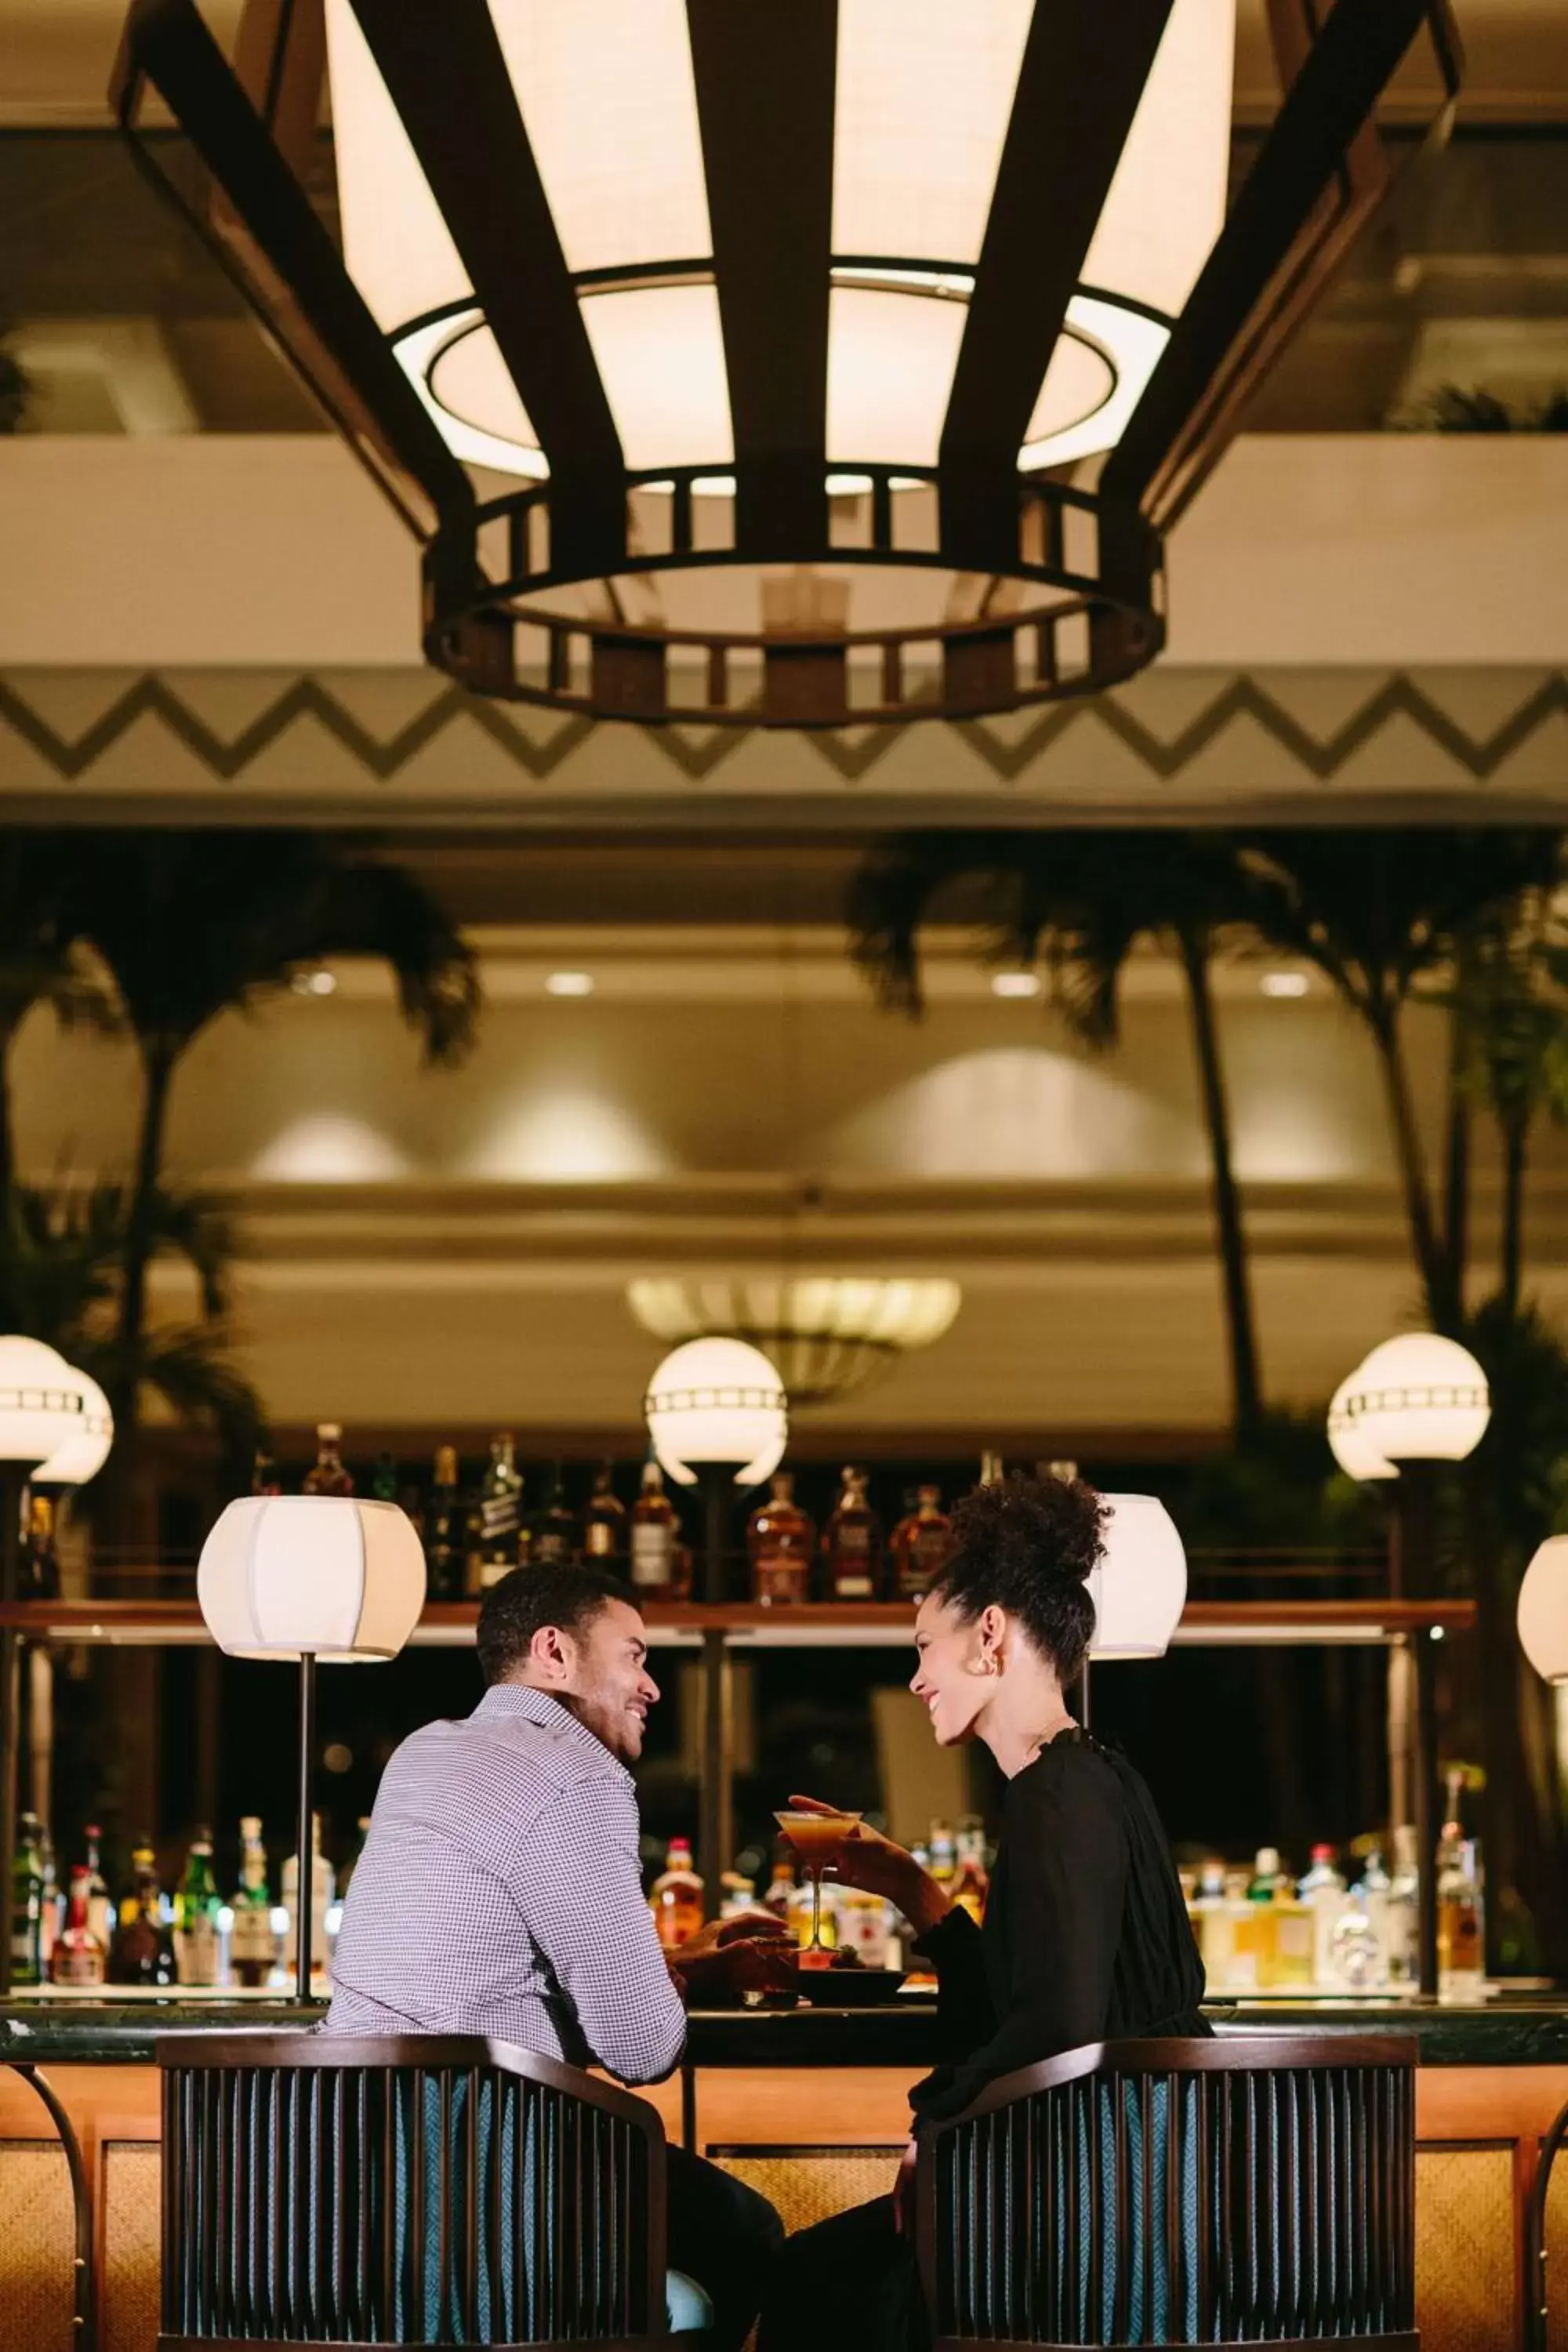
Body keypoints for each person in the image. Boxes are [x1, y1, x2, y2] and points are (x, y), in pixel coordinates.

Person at [756, 1472, 1208, 2352]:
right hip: (1135, 2191)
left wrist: (937, 2127)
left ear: (990, 1635)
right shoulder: (1090, 1776)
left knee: (811, 2277)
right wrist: (909, 1888)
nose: (917, 1677)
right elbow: (1020, 2008)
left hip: (1097, 2229)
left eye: (925, 1645)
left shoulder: (1055, 1792)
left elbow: (1058, 2026)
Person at [326, 1559, 789, 2351]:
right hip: (486, 2194)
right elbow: (640, 2048)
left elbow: (486, 1980)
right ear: (554, 1653)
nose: (652, 1686)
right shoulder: (575, 1774)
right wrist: (661, 1985)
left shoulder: (421, 1753)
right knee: (742, 2230)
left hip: (346, 2193)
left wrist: (680, 1965)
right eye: (635, 1656)